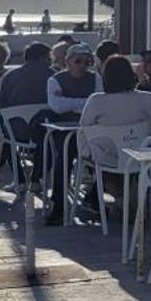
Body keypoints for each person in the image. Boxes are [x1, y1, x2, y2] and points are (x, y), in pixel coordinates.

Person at [77, 55, 151, 216]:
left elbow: (85, 126)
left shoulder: (96, 101)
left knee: (102, 157)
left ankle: (121, 200)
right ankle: (128, 201)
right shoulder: (148, 98)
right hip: (142, 155)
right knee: (124, 155)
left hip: (110, 157)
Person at [42, 48, 100, 224]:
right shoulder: (55, 80)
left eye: (87, 62)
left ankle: (94, 197)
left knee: (108, 156)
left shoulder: (96, 79)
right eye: (78, 61)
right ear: (67, 61)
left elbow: (98, 103)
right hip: (65, 129)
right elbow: (57, 106)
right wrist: (85, 102)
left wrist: (72, 103)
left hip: (91, 129)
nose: (83, 66)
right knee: (63, 158)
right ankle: (58, 204)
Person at [0, 41, 52, 108]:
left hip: (14, 116)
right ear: (43, 58)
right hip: (47, 117)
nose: (51, 62)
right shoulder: (53, 76)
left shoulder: (8, 76)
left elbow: (1, 104)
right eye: (49, 58)